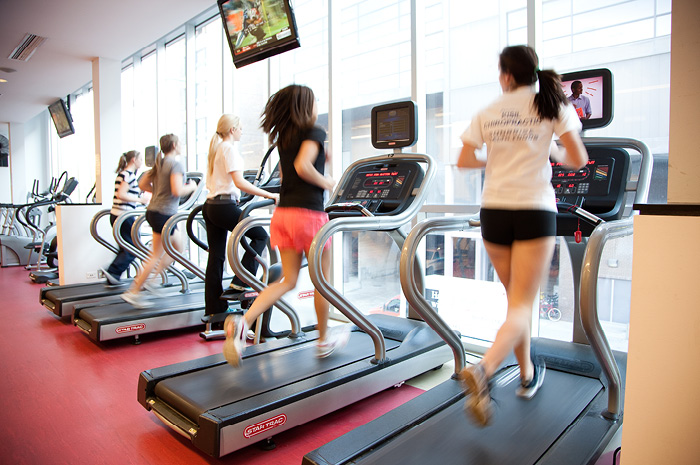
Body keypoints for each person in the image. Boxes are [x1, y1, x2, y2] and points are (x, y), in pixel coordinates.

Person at [456, 45, 588, 426]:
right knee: (521, 305)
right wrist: (550, 154)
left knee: (516, 302)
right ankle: (484, 370)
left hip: (494, 212)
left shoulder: (488, 110)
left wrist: (496, 158)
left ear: (507, 75)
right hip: (534, 211)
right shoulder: (551, 103)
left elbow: (465, 160)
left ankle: (527, 373)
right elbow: (578, 159)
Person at [222, 84, 350, 367]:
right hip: (310, 216)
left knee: (287, 280)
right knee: (322, 282)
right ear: (306, 105)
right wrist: (330, 182)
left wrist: (320, 160)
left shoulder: (285, 137)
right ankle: (323, 339)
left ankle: (243, 323)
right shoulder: (315, 131)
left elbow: (287, 171)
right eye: (315, 100)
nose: (318, 104)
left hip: (283, 215)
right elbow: (304, 167)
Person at [202, 114, 279, 318]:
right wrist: (269, 194)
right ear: (232, 130)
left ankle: (214, 308)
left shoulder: (217, 149)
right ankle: (241, 281)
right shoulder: (228, 149)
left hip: (211, 206)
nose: (242, 132)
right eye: (241, 128)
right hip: (223, 206)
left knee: (216, 257)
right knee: (261, 235)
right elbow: (240, 183)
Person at [121, 134, 197, 309]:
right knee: (156, 255)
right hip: (164, 214)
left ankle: (152, 279)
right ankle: (135, 291)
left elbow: (142, 184)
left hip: (156, 211)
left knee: (178, 247)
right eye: (180, 143)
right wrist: (192, 187)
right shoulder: (175, 164)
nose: (182, 145)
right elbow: (177, 190)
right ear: (174, 145)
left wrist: (157, 192)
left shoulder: (159, 163)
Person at [101, 150, 149, 285]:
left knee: (126, 247)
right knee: (133, 248)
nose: (141, 162)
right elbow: (122, 194)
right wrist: (140, 200)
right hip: (123, 216)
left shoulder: (123, 174)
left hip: (117, 215)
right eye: (140, 159)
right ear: (134, 159)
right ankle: (113, 272)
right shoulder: (128, 175)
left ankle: (113, 272)